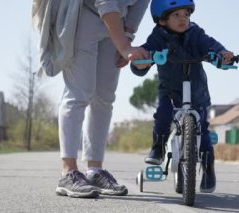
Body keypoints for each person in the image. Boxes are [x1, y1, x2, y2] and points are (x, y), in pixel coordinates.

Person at [40, 0, 150, 198]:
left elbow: (141, 2)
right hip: (84, 15)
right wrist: (124, 46)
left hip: (118, 20)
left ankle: (95, 170)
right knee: (79, 92)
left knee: (104, 97)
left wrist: (126, 36)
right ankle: (68, 171)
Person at [130, 0, 235, 193]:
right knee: (163, 114)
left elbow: (210, 44)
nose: (183, 19)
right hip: (170, 90)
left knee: (202, 132)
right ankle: (159, 146)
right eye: (176, 15)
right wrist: (140, 62)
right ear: (162, 20)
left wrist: (222, 53)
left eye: (186, 14)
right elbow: (144, 53)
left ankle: (208, 167)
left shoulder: (196, 34)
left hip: (197, 92)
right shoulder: (158, 37)